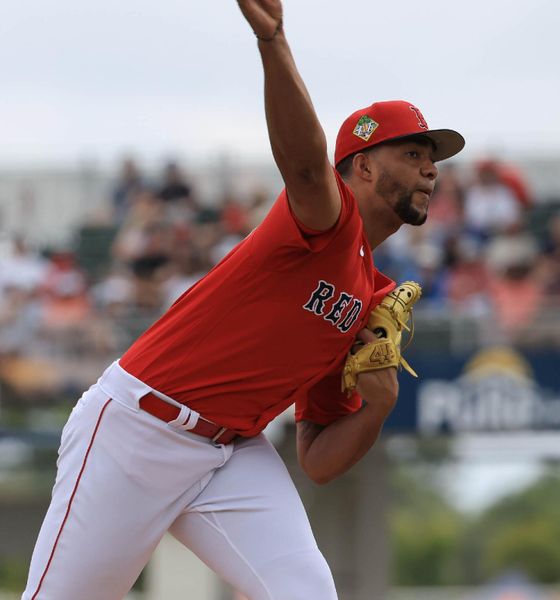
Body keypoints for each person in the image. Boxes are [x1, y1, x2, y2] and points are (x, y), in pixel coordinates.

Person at [23, 2, 465, 599]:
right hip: (137, 430)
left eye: (432, 160)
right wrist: (274, 42)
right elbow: (307, 170)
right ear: (360, 165)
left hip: (231, 454)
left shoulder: (373, 296)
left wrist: (377, 407)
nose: (429, 170)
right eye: (412, 154)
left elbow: (317, 460)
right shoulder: (326, 219)